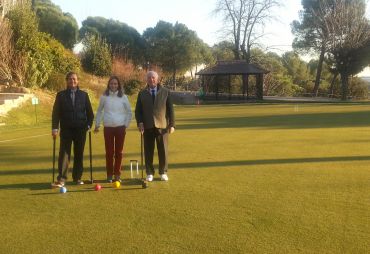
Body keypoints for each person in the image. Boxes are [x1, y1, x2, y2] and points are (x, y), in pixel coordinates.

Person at [52, 72, 94, 186]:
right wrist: (55, 128)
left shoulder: (84, 95)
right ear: (67, 81)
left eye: (74, 79)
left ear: (78, 81)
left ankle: (77, 178)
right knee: (64, 154)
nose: (72, 81)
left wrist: (89, 125)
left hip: (81, 129)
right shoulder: (60, 95)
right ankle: (61, 179)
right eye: (70, 79)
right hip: (66, 129)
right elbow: (56, 113)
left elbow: (90, 113)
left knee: (79, 154)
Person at [135, 71, 175, 182]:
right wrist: (140, 122)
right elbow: (138, 111)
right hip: (147, 126)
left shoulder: (166, 92)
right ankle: (149, 172)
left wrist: (172, 124)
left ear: (157, 79)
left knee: (163, 150)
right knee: (148, 151)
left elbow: (170, 110)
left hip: (162, 126)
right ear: (146, 80)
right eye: (149, 78)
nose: (151, 79)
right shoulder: (142, 93)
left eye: (153, 78)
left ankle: (163, 172)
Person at [94, 76, 132, 183]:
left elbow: (129, 112)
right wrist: (97, 124)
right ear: (108, 85)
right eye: (111, 84)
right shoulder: (104, 97)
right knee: (109, 152)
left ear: (118, 85)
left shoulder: (124, 97)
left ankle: (117, 174)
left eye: (115, 84)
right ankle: (109, 174)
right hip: (108, 128)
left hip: (120, 128)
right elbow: (99, 111)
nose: (113, 85)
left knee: (119, 152)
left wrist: (126, 125)